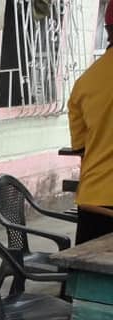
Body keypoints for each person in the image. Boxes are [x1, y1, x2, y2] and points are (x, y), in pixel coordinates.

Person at [68, 1, 113, 244]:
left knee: (85, 266)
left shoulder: (85, 82)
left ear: (107, 30)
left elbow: (81, 147)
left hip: (95, 202)